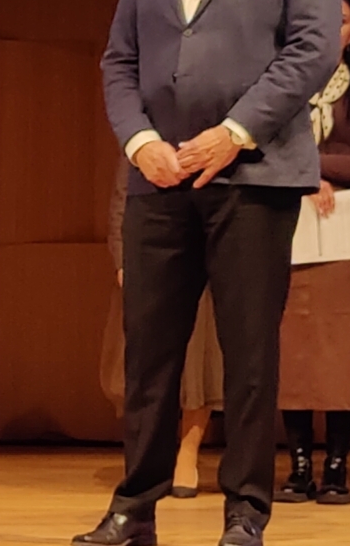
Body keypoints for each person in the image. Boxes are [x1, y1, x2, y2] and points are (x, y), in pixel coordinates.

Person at [75, 0, 339, 546]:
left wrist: (234, 132)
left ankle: (245, 511)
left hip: (253, 177)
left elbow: (314, 47)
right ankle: (134, 509)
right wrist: (139, 142)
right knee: (150, 356)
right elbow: (119, 60)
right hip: (159, 179)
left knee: (249, 355)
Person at [275, 0, 350, 507]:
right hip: (290, 227)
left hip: (344, 233)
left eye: (340, 19)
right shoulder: (282, 86)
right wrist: (305, 177)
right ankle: (299, 465)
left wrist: (311, 168)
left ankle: (337, 466)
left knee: (344, 351)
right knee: (291, 350)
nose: (330, 26)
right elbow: (266, 149)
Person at [101, 156, 223, 497]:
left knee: (199, 366)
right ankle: (151, 457)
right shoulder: (146, 140)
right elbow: (122, 199)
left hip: (204, 259)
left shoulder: (216, 140)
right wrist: (123, 262)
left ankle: (188, 452)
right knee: (149, 366)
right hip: (152, 258)